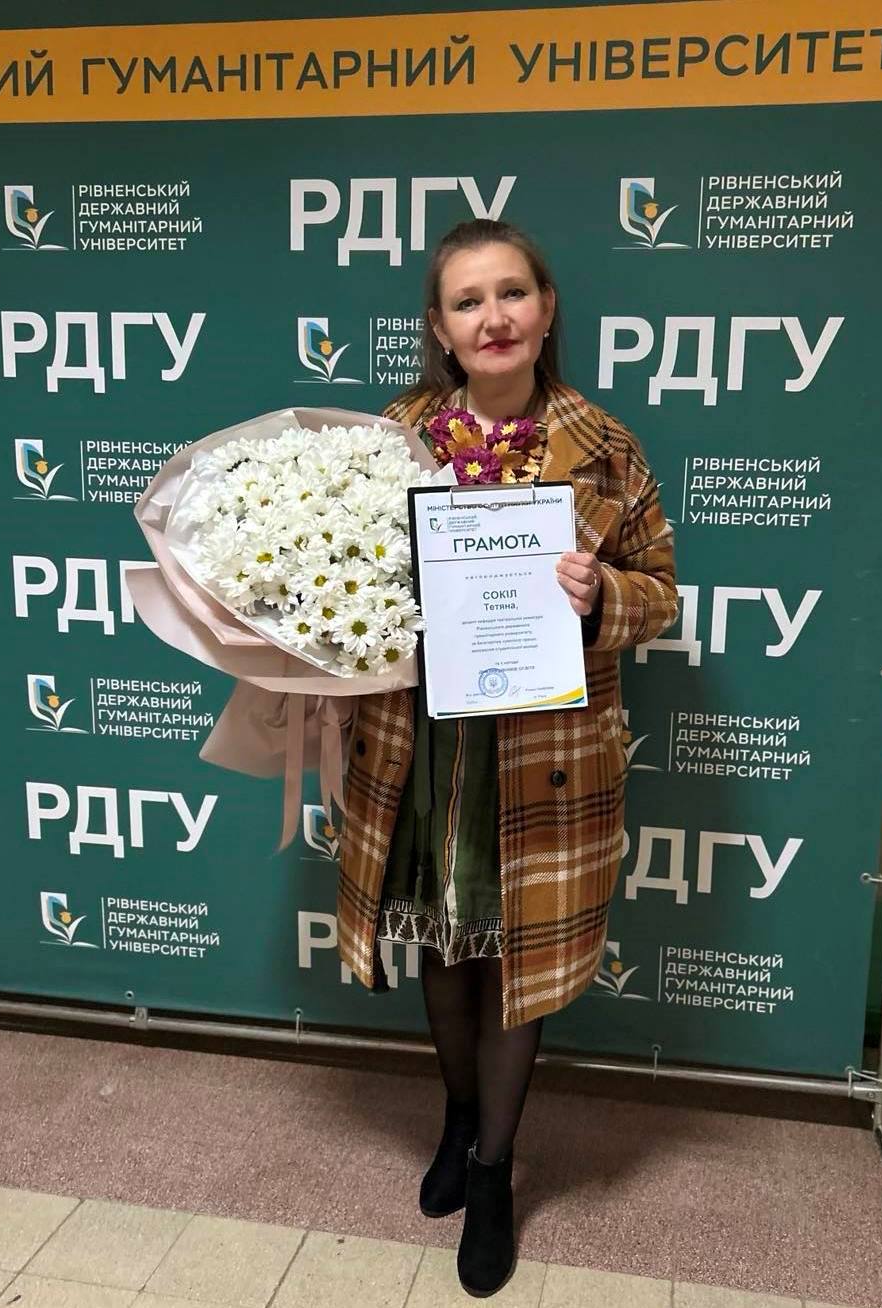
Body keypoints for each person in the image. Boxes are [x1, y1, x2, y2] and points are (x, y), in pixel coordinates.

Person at [335, 218, 678, 1297]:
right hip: (424, 736)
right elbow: (337, 573)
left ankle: (493, 1173)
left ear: (547, 307)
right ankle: (459, 1116)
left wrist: (601, 594)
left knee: (517, 959)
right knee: (446, 944)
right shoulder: (392, 438)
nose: (495, 318)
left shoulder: (606, 445)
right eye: (468, 301)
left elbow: (661, 594)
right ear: (439, 329)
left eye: (512, 293)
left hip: (546, 749)